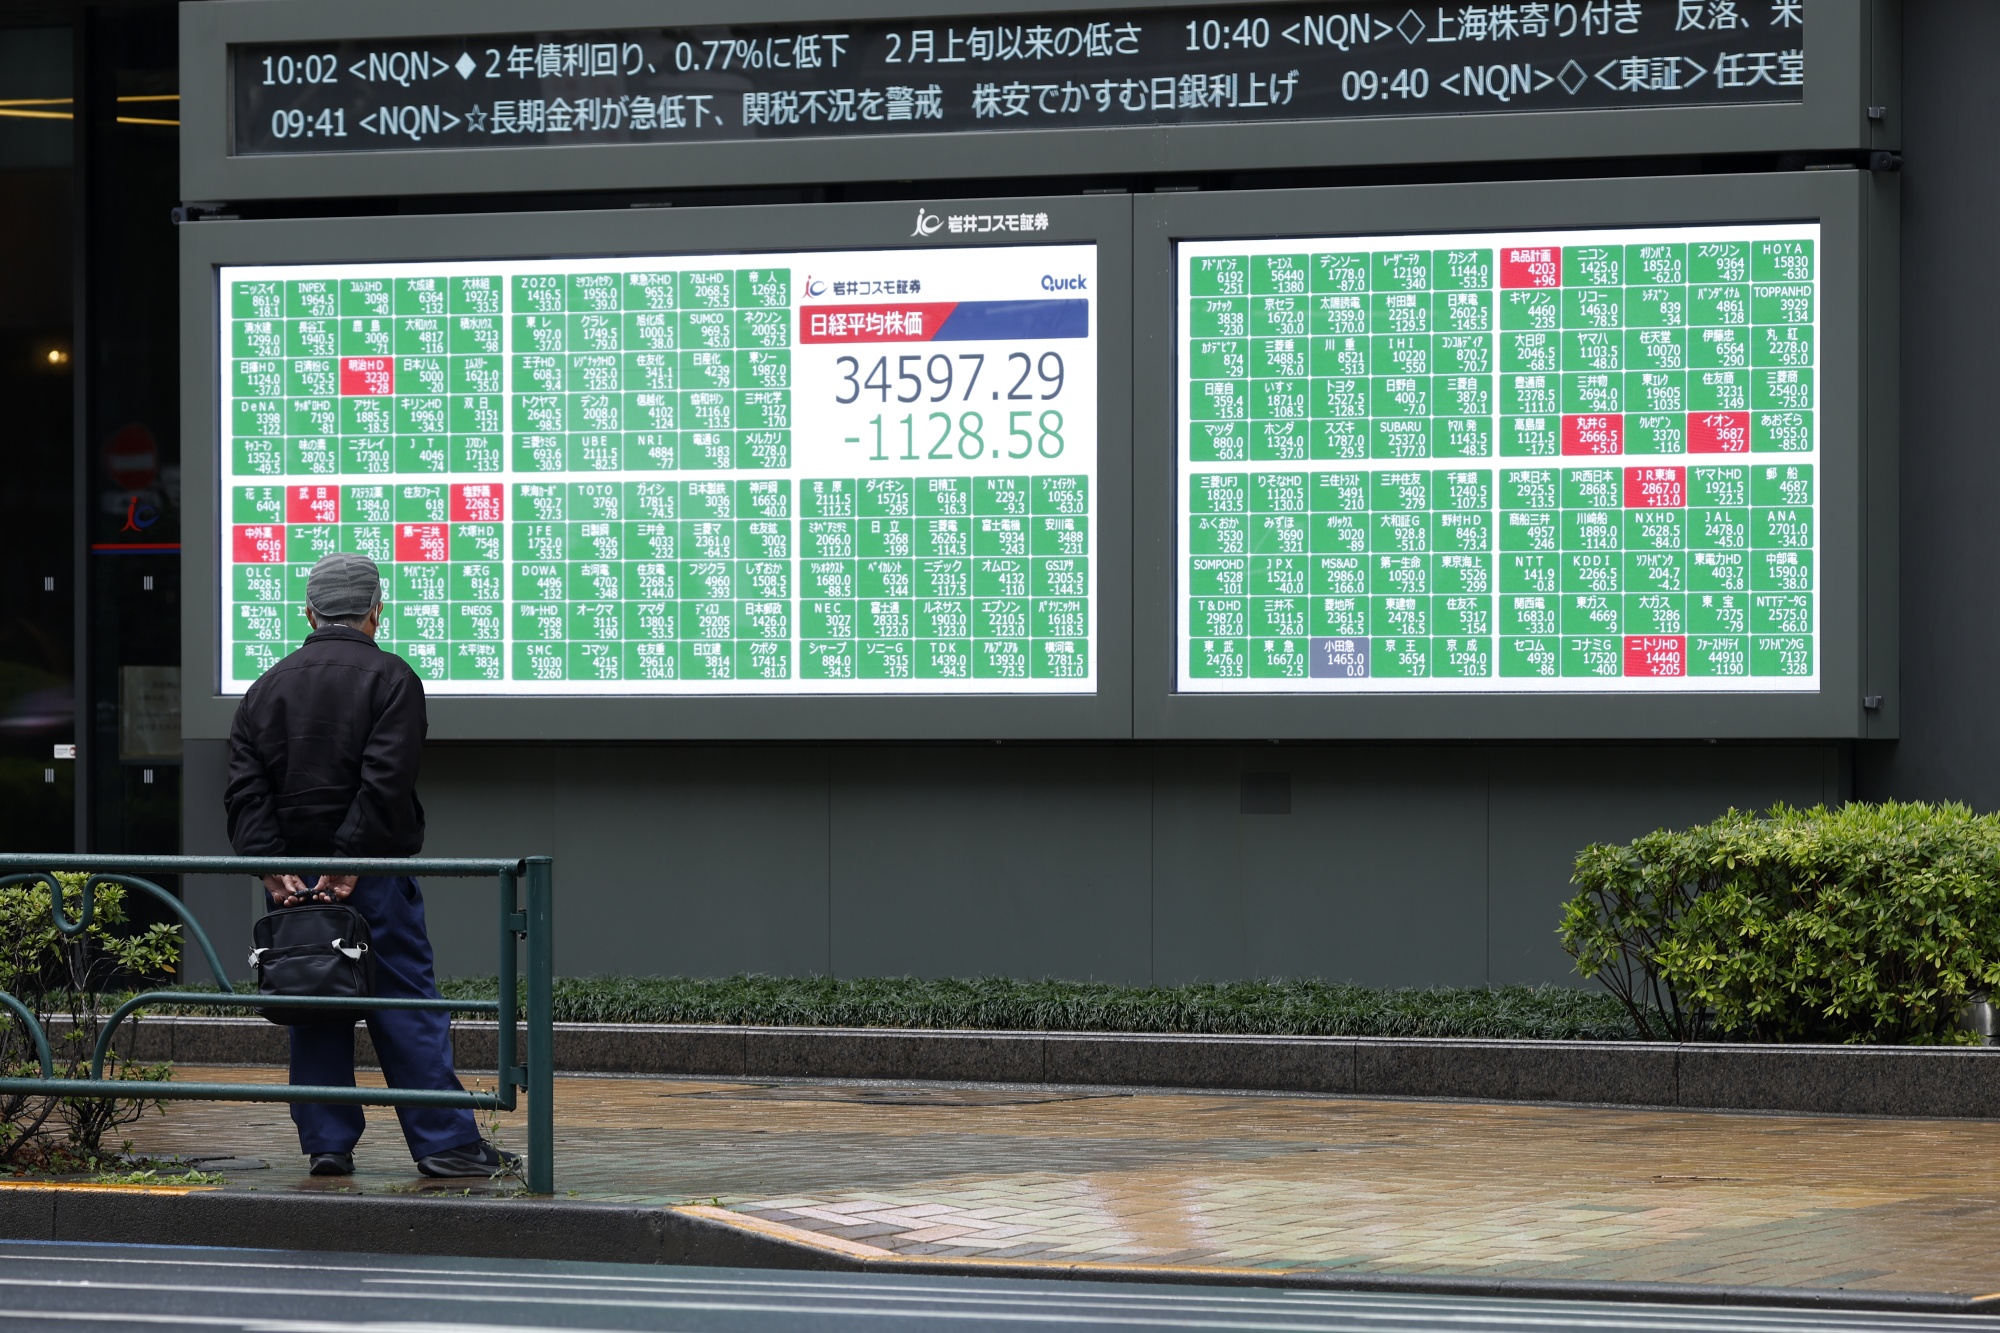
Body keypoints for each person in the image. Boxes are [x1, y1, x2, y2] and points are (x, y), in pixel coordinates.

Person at [223, 550, 516, 1180]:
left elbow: (245, 791)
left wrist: (274, 870)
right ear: (375, 613)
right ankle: (446, 1146)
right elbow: (385, 782)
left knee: (312, 1002)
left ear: (308, 612)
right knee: (407, 1002)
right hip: (373, 877)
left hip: (292, 887)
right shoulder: (392, 679)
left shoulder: (264, 687)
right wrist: (350, 862)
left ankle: (327, 1146)